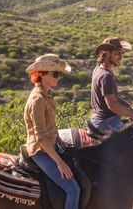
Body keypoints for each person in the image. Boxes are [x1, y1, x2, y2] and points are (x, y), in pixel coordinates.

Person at [24, 54, 80, 209]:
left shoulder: (47, 94)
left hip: (52, 145)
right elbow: (41, 137)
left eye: (60, 74)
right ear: (41, 74)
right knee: (73, 190)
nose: (59, 77)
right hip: (40, 151)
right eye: (55, 74)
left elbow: (50, 128)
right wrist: (60, 162)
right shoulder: (38, 100)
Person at [90, 37, 133, 133]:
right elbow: (113, 105)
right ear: (107, 53)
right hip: (106, 123)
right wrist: (132, 115)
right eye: (117, 54)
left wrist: (128, 106)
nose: (121, 57)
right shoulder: (106, 76)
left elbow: (113, 97)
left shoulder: (99, 69)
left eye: (122, 53)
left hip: (101, 119)